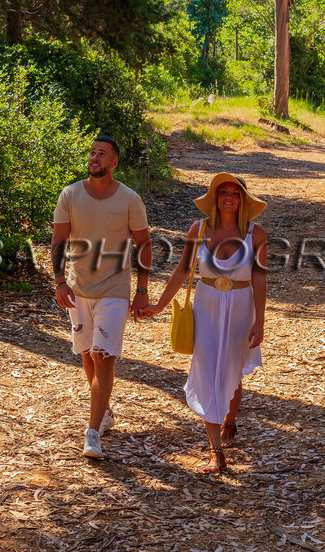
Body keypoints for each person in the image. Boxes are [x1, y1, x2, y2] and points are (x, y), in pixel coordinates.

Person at [149, 172, 267, 474]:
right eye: (223, 192)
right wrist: (159, 305)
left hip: (241, 307)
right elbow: (181, 271)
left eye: (235, 193)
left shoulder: (256, 234)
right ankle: (215, 452)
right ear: (215, 197)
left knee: (231, 369)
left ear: (243, 199)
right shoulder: (198, 229)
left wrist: (260, 321)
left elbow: (259, 279)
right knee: (208, 368)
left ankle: (230, 417)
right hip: (206, 305)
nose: (229, 197)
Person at [51, 135, 152, 460]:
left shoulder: (129, 199)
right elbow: (58, 241)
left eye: (102, 154)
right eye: (92, 152)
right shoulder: (70, 194)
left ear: (114, 163)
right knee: (86, 354)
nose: (95, 157)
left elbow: (144, 244)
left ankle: (92, 432)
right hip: (78, 289)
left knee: (103, 356)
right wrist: (59, 281)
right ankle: (105, 411)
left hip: (115, 289)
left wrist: (141, 290)